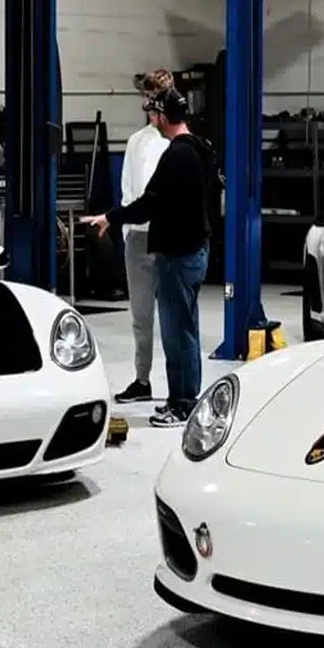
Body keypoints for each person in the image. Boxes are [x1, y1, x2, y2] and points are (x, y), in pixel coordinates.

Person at [82, 87, 215, 425]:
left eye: (154, 114)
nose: (152, 120)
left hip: (177, 254)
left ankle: (182, 403)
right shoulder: (202, 148)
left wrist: (110, 217)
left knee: (175, 331)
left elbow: (148, 204)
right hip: (197, 248)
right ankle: (187, 396)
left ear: (162, 117)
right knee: (187, 327)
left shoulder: (176, 155)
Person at [113, 72, 173, 405]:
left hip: (166, 238)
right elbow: (127, 189)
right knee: (142, 316)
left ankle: (179, 389)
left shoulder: (176, 142)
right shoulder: (137, 141)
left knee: (173, 315)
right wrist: (128, 231)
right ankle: (142, 379)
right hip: (138, 237)